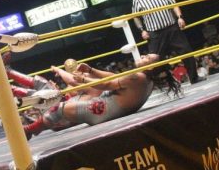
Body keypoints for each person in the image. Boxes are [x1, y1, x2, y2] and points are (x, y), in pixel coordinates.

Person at [11, 56, 181, 138]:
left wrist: (83, 79)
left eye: (147, 58)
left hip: (104, 110)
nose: (142, 56)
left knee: (58, 106)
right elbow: (112, 78)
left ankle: (29, 130)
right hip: (108, 104)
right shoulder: (147, 80)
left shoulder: (139, 77)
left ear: (151, 67)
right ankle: (8, 74)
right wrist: (90, 71)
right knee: (53, 95)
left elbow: (107, 84)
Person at [131, 0, 200, 83]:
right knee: (153, 61)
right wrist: (142, 30)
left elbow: (173, 4)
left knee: (186, 51)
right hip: (154, 33)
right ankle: (157, 84)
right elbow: (135, 17)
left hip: (171, 28)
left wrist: (180, 17)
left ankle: (194, 78)